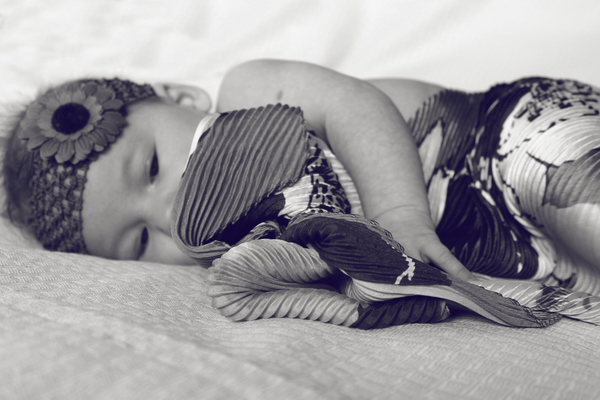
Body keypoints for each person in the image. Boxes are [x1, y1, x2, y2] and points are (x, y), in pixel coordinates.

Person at [3, 59, 600, 289]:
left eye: (153, 166)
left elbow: (354, 106)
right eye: (138, 241)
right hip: (498, 242)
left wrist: (398, 213)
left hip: (504, 141)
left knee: (577, 199)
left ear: (181, 97)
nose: (167, 210)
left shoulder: (247, 92)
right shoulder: (246, 251)